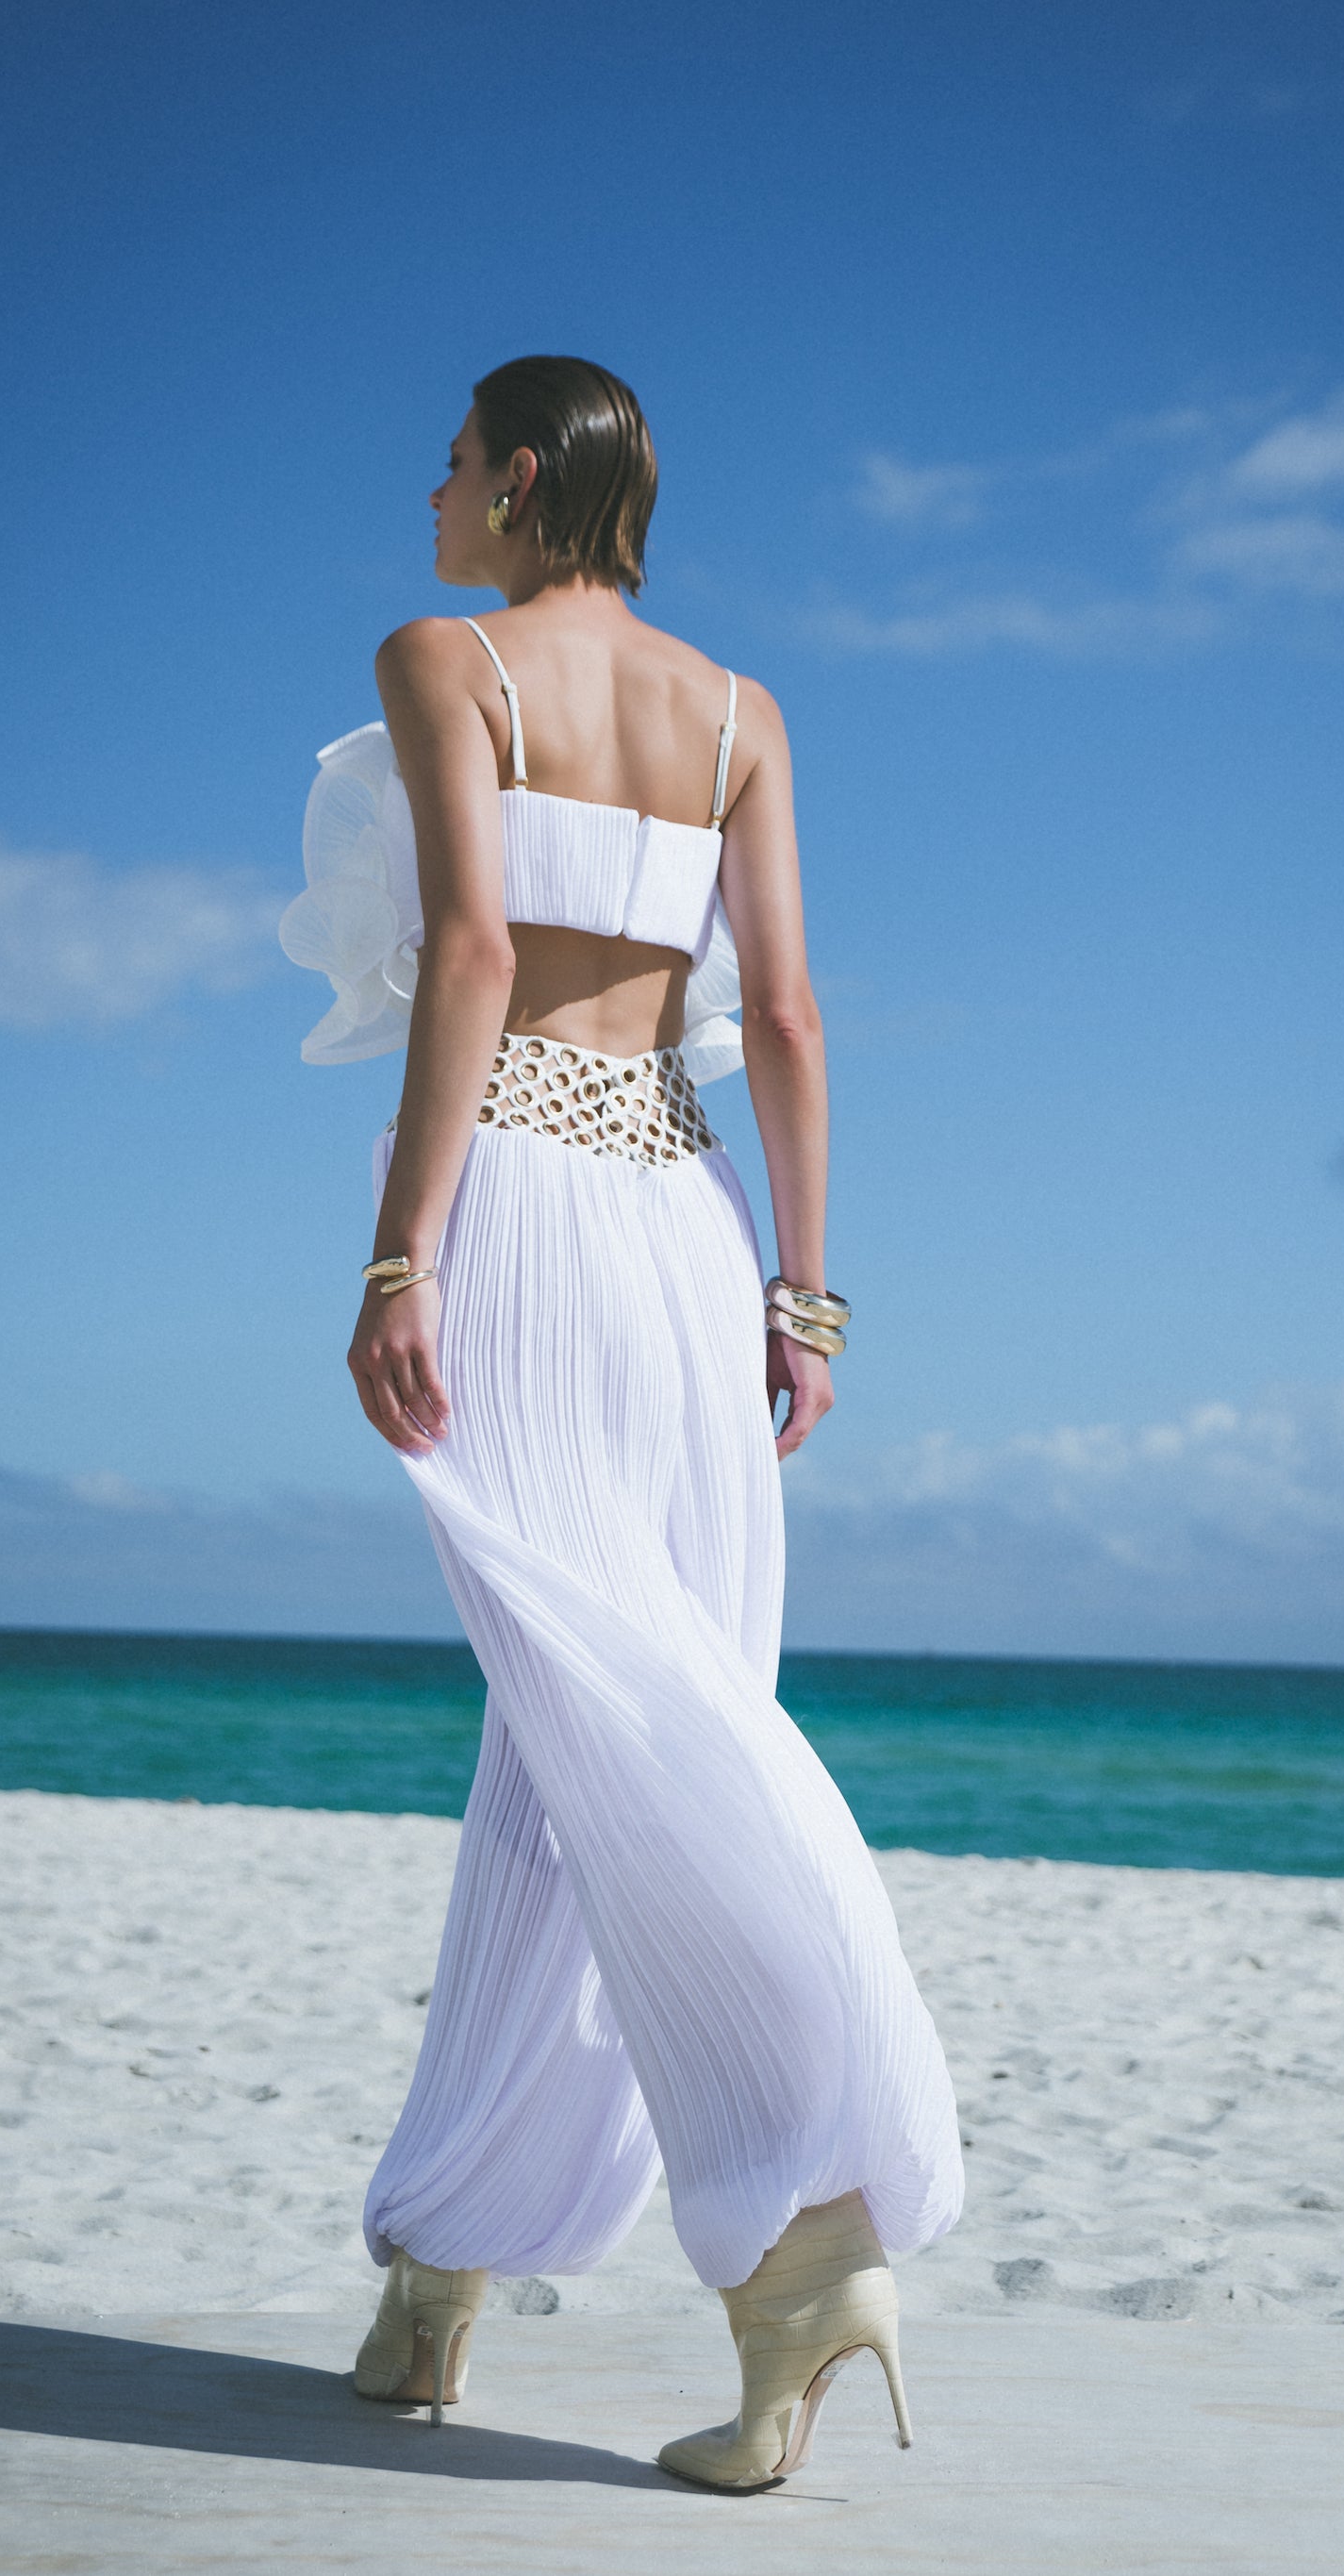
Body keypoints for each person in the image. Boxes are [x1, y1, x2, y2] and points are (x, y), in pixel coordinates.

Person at [281, 355, 962, 2491]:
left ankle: (805, 2235)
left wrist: (400, 1258)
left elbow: (473, 952)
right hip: (688, 1223)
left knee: (626, 1710)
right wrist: (805, 1296)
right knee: (568, 1725)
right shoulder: (740, 710)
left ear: (514, 480)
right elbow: (788, 1019)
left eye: (447, 466)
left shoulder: (447, 658)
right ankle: (440, 2262)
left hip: (525, 1206)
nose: (428, 498)